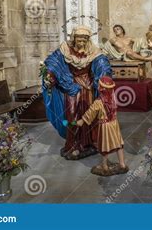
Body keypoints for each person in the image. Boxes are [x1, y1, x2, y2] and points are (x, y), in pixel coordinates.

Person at [41, 25, 112, 160]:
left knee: (89, 114)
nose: (82, 41)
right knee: (72, 114)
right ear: (74, 37)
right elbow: (52, 63)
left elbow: (102, 64)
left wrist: (104, 76)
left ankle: (88, 143)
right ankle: (73, 144)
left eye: (85, 38)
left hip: (88, 87)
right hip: (72, 87)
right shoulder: (65, 49)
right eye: (79, 37)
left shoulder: (93, 51)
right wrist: (49, 74)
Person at [76, 76, 128, 176]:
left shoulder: (98, 102)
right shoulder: (113, 98)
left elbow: (90, 112)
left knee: (105, 146)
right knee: (118, 144)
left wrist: (82, 121)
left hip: (105, 127)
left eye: (100, 85)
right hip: (114, 124)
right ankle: (122, 164)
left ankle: (104, 166)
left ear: (101, 88)